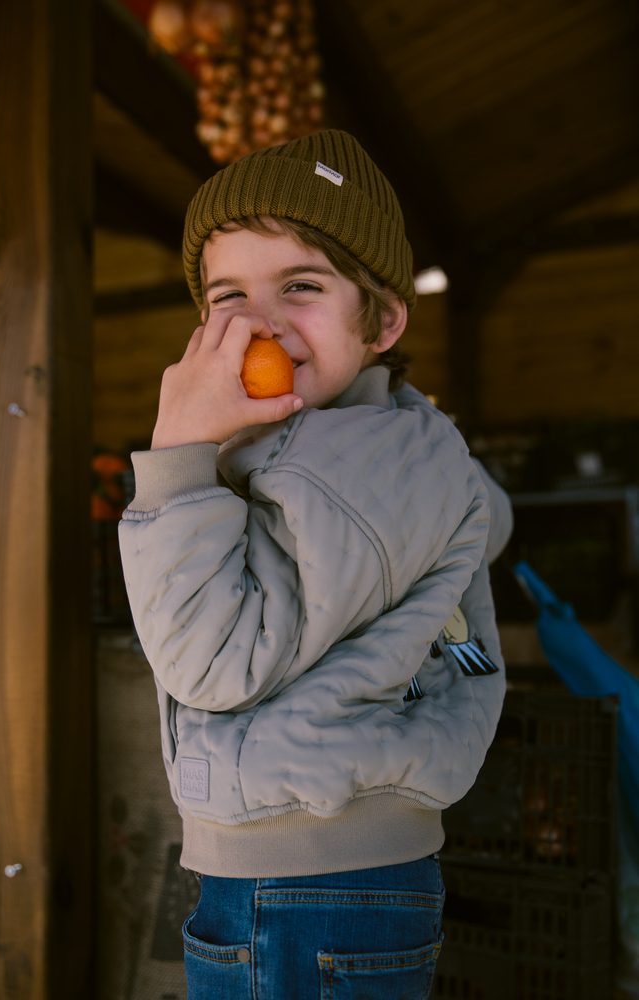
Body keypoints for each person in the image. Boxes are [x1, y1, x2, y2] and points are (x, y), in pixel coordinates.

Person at [119, 129, 512, 1000]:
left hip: (300, 880)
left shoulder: (323, 473)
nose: (260, 321)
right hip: (345, 866)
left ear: (383, 318)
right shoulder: (399, 451)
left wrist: (178, 454)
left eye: (301, 286)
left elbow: (214, 666)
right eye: (229, 295)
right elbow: (477, 596)